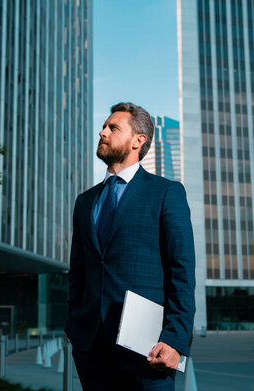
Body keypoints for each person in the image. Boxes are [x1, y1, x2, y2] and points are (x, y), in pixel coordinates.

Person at [65, 102, 196, 390]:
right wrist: (74, 325)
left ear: (139, 140)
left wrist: (175, 339)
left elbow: (182, 271)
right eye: (104, 127)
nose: (102, 132)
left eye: (113, 128)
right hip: (91, 347)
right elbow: (78, 270)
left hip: (147, 348)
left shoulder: (166, 192)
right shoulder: (85, 201)